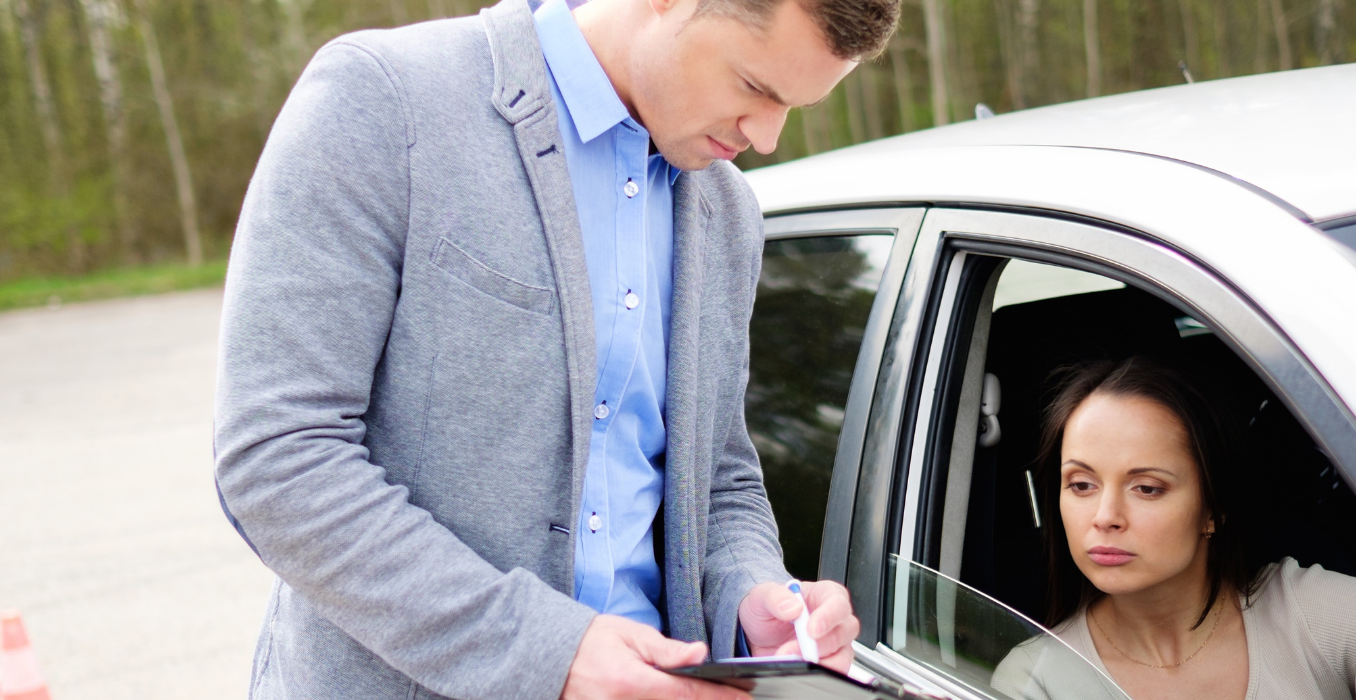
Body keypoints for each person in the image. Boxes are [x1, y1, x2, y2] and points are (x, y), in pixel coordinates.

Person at [210, 0, 897, 697]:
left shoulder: (730, 212)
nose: (769, 136)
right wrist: (547, 652)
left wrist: (753, 596)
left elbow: (717, 474)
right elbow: (280, 457)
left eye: (796, 106)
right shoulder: (386, 102)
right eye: (755, 87)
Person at [992, 358, 1356, 700]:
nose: (1105, 516)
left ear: (1214, 508)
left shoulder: (1309, 614)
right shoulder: (1034, 681)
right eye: (1081, 484)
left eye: (1147, 488)